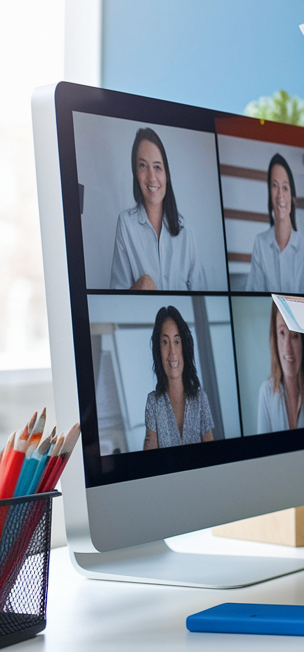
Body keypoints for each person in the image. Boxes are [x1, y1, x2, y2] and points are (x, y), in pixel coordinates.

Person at [109, 127, 208, 291]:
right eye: (142, 166)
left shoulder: (187, 230)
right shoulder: (125, 224)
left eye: (157, 167)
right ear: (135, 173)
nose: (151, 178)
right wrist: (141, 285)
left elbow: (201, 290)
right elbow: (117, 291)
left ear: (166, 175)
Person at [143, 306, 215, 449]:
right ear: (158, 350)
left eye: (176, 342)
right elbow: (149, 459)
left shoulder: (200, 397)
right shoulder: (153, 402)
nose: (172, 353)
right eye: (165, 342)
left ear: (185, 347)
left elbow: (212, 452)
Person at [245, 154, 304, 293]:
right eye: (275, 186)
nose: (280, 195)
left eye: (285, 188)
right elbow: (254, 292)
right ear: (269, 195)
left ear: (293, 199)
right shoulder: (260, 242)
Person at [257, 301, 304, 432]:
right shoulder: (266, 393)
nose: (287, 349)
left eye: (294, 336)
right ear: (275, 338)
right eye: (282, 333)